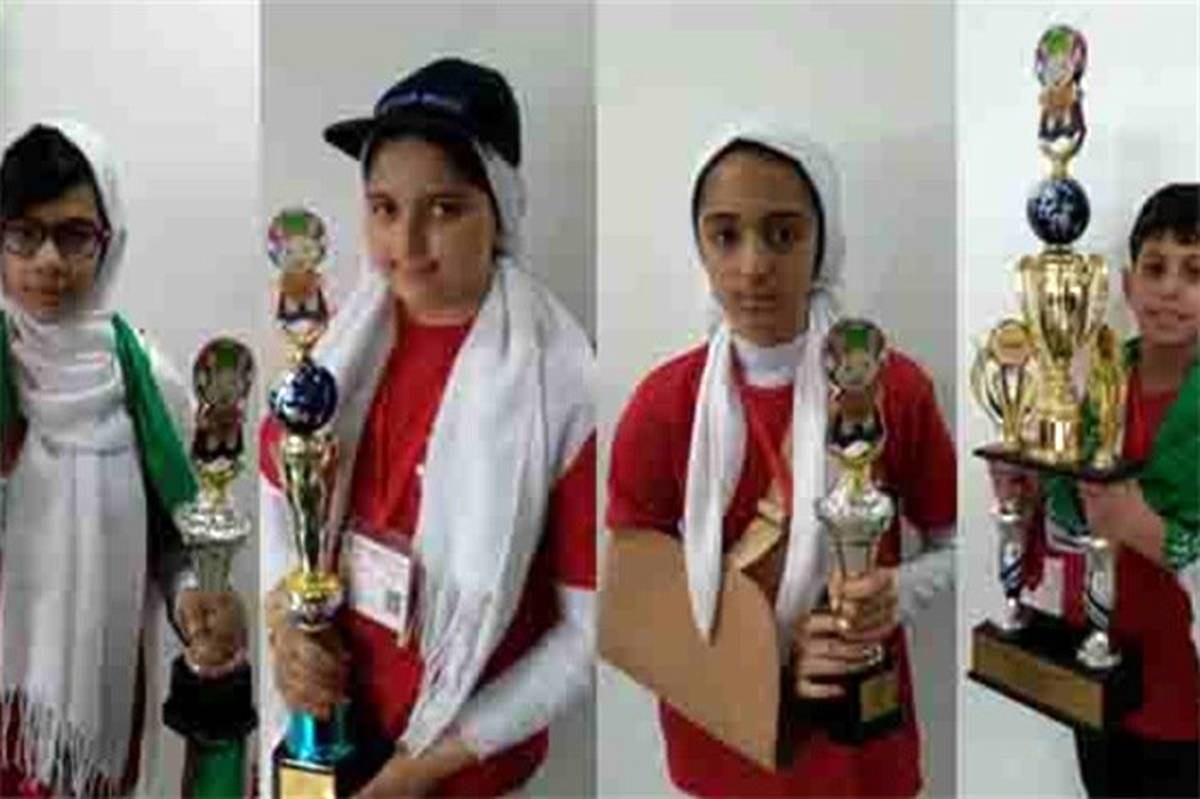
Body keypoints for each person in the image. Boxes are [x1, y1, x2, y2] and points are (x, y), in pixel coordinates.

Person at [260, 58, 596, 797]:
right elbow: (279, 503)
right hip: (321, 731)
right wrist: (284, 624)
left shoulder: (561, 384)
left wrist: (419, 772)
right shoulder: (338, 350)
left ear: (500, 210)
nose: (407, 243)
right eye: (384, 208)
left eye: (444, 209)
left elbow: (586, 635)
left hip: (461, 766)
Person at [605, 126, 956, 797]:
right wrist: (773, 654)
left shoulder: (893, 389)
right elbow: (636, 605)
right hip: (724, 747)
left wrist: (892, 595)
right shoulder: (663, 407)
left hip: (859, 756)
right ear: (699, 245)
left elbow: (957, 544)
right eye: (725, 235)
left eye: (783, 234)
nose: (753, 265)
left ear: (822, 241)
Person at [0, 120, 245, 797]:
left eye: (74, 234)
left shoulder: (150, 385)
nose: (48, 260)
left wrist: (196, 598)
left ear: (110, 241)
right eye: (23, 233)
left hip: (92, 711)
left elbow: (177, 545)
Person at [990, 183, 1199, 797]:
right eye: (1155, 268)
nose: (1170, 288)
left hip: (1183, 698)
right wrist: (1026, 498)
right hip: (1092, 675)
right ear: (1127, 286)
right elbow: (1069, 528)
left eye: (1194, 272)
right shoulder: (1098, 388)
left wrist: (1141, 526)